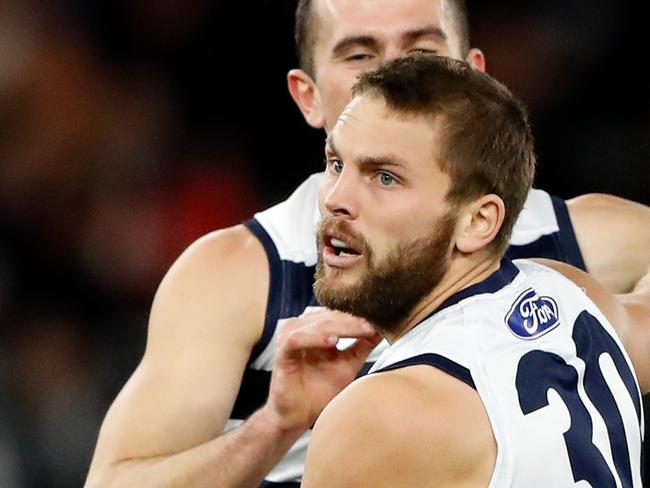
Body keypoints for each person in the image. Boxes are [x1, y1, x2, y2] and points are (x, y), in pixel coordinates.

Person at [85, 1, 650, 486]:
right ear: (309, 99)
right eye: (359, 55)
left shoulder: (574, 242)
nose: (394, 73)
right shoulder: (574, 290)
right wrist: (273, 427)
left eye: (422, 53)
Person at [300, 54, 648, 487]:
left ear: (478, 221)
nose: (336, 198)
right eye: (336, 164)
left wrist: (272, 428)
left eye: (385, 177)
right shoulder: (570, 296)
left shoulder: (379, 414)